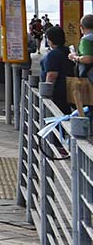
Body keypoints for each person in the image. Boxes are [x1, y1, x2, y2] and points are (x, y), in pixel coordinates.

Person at [41, 25, 75, 157]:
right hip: (67, 89)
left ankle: (57, 145)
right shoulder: (67, 51)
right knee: (63, 115)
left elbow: (52, 74)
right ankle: (60, 143)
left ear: (50, 39)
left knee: (55, 117)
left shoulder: (53, 55)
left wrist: (46, 89)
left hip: (56, 91)